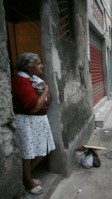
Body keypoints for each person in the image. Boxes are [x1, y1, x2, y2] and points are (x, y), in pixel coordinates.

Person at [11, 52, 56, 194]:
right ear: (29, 67)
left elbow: (49, 100)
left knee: (43, 150)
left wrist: (45, 93)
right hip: (27, 122)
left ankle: (25, 175)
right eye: (38, 63)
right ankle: (28, 180)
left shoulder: (33, 79)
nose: (42, 66)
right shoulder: (20, 80)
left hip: (39, 121)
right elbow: (33, 106)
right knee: (28, 152)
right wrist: (46, 90)